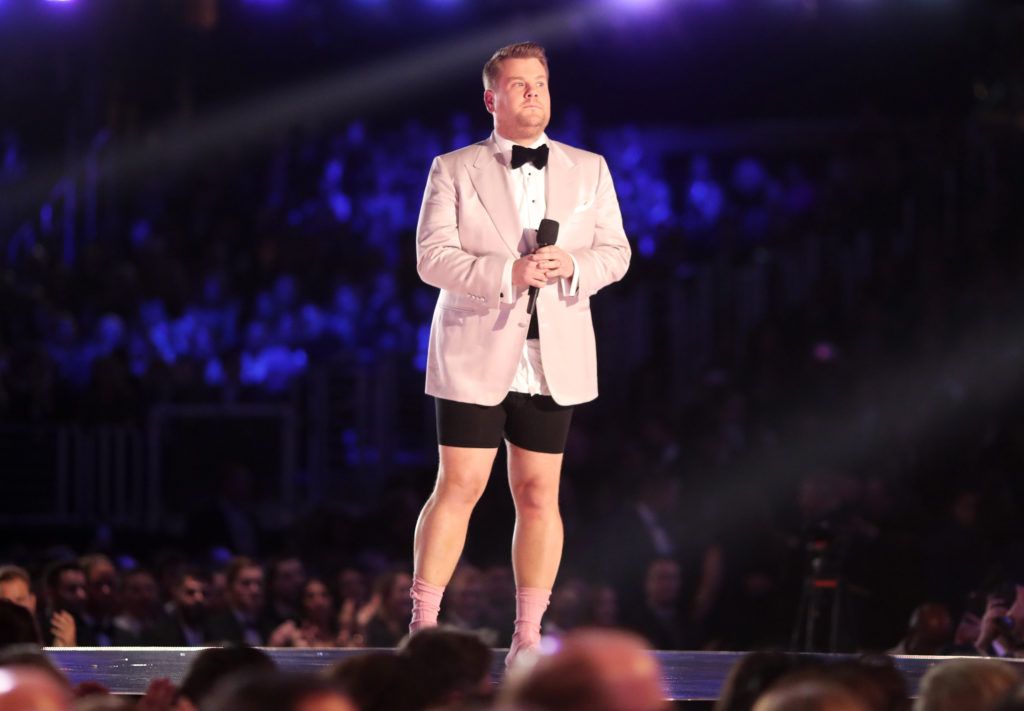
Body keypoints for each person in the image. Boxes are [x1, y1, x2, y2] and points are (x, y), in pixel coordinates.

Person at [411, 41, 631, 666]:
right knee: (461, 484)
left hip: (552, 352)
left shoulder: (588, 168)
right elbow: (432, 258)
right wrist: (509, 271)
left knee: (539, 493)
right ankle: (424, 622)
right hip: (476, 347)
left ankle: (528, 636)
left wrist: (574, 264)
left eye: (540, 82)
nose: (533, 92)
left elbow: (616, 253)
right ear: (491, 98)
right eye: (518, 83)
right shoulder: (453, 168)